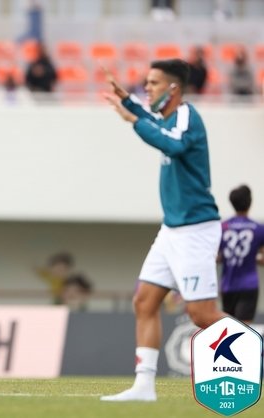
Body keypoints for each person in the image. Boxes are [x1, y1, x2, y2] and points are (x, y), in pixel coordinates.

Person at [100, 59, 224, 402]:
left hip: (196, 229)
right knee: (144, 301)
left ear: (173, 88)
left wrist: (133, 119)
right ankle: (144, 386)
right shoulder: (169, 118)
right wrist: (128, 103)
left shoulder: (186, 115)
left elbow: (173, 144)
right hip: (172, 230)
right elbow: (155, 123)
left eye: (153, 83)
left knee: (201, 314)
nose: (147, 88)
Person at [218, 185, 264, 323]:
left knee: (229, 328)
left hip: (227, 285)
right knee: (244, 330)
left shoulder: (223, 227)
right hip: (248, 285)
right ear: (250, 202)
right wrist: (252, 257)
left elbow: (217, 256)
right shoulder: (258, 228)